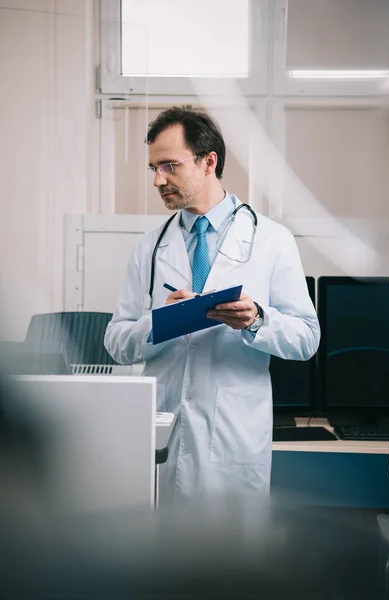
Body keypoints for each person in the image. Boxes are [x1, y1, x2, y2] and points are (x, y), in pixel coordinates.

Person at [104, 105, 320, 501]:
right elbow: (117, 342)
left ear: (208, 162)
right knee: (160, 558)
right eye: (153, 168)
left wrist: (255, 320)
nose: (158, 180)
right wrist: (161, 322)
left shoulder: (271, 240)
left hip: (233, 439)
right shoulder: (149, 247)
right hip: (162, 435)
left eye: (169, 166)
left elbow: (307, 338)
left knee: (230, 562)